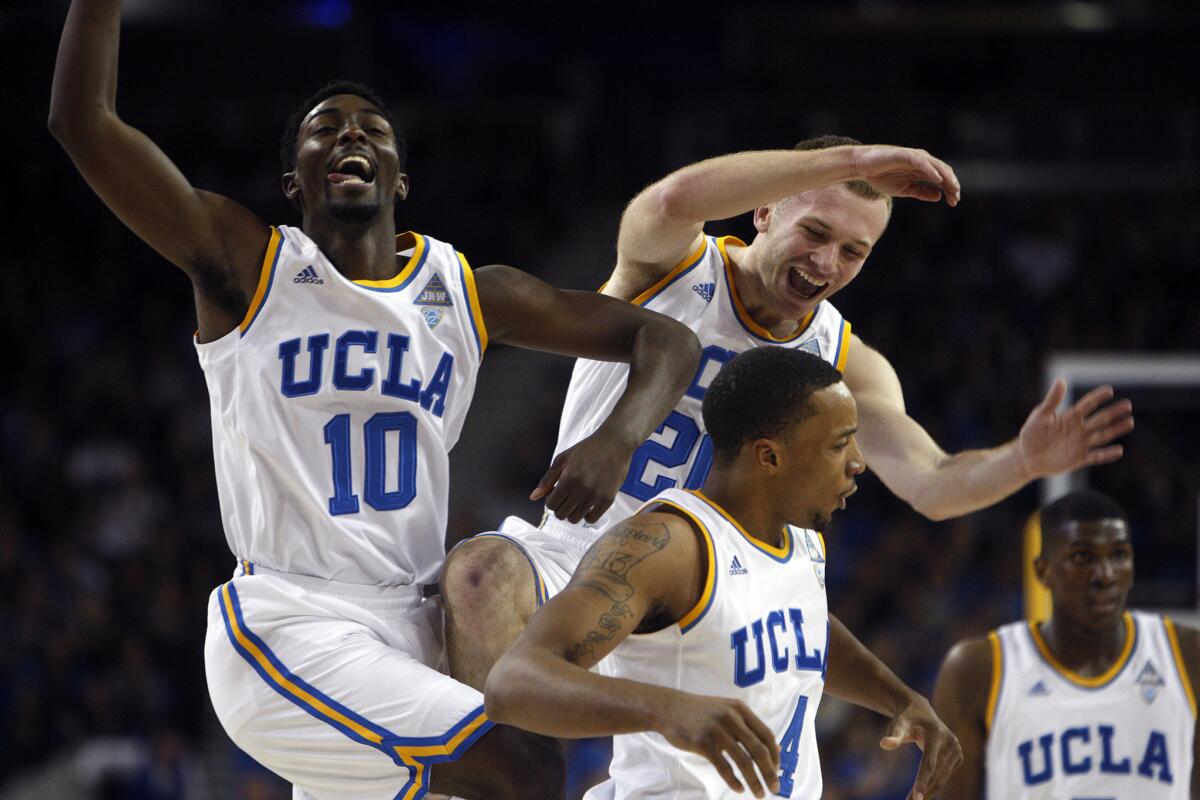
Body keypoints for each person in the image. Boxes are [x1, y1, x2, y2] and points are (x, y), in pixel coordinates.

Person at [48, 2, 702, 798]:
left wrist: (619, 437)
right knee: (520, 768)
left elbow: (668, 342)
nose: (351, 135)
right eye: (325, 128)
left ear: (401, 175)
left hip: (413, 628)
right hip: (295, 620)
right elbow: (82, 123)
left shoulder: (464, 291)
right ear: (296, 179)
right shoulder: (250, 266)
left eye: (372, 128)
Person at [442, 135, 1136, 691]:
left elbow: (932, 484)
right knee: (478, 577)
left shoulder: (846, 359)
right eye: (816, 230)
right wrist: (855, 162)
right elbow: (679, 195)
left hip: (708, 589)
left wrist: (1025, 459)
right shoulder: (671, 264)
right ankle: (470, 773)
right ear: (764, 212)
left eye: (853, 252)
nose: (827, 261)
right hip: (579, 554)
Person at [485, 347, 963, 799]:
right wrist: (665, 708)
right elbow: (513, 682)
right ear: (770, 456)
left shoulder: (802, 538)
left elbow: (801, 628)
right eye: (840, 445)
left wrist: (899, 699)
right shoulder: (666, 546)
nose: (859, 463)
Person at [932, 489, 1198, 798]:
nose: (1105, 575)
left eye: (1118, 555)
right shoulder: (978, 670)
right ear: (1042, 571)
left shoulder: (1187, 656)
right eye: (1082, 556)